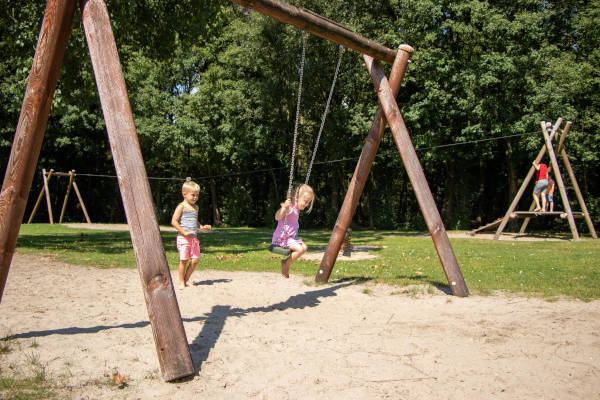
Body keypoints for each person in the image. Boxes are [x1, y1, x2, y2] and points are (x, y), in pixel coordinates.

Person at [171, 180, 211, 288]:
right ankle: (181, 282)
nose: (195, 198)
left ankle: (186, 279)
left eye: (197, 195)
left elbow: (195, 222)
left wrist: (202, 227)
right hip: (183, 238)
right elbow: (174, 221)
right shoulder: (181, 206)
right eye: (193, 195)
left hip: (194, 239)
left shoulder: (196, 208)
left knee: (195, 260)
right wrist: (184, 232)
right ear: (184, 194)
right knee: (183, 260)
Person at [272, 184, 315, 278]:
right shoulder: (290, 207)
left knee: (304, 247)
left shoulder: (296, 209)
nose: (307, 204)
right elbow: (277, 217)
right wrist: (284, 208)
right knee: (300, 249)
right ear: (296, 197)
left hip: (290, 238)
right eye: (306, 201)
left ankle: (286, 262)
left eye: (308, 202)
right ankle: (285, 264)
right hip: (282, 239)